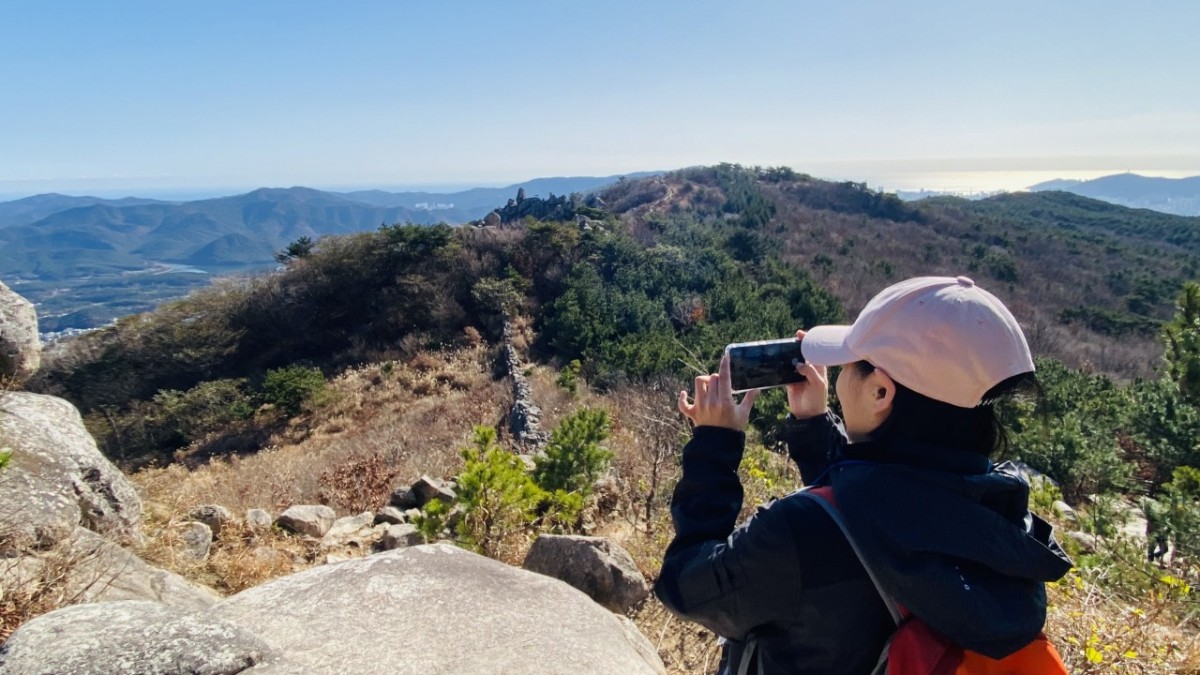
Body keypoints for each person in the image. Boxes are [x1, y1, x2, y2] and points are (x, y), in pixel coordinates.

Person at [654, 275, 1073, 675]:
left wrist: (715, 445)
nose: (838, 376)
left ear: (880, 392)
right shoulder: (1003, 518)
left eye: (849, 363)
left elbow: (684, 585)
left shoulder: (796, 533)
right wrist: (814, 429)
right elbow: (883, 514)